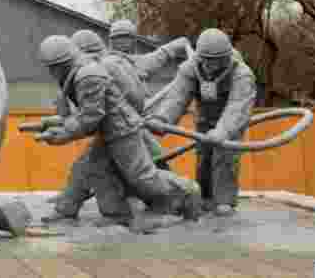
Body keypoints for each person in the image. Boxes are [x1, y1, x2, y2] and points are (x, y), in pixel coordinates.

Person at [36, 35, 202, 224]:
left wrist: (63, 134)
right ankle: (102, 213)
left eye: (50, 67)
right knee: (89, 168)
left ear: (60, 64)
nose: (49, 71)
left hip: (121, 131)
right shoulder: (78, 72)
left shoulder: (88, 76)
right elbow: (86, 113)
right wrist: (55, 123)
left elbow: (90, 118)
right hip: (109, 130)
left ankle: (187, 191)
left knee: (142, 177)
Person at [148, 28, 256, 215]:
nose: (209, 64)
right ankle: (205, 197)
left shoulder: (242, 74)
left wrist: (222, 130)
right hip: (204, 119)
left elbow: (237, 107)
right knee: (203, 156)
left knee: (225, 155)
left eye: (214, 60)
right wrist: (162, 118)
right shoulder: (190, 68)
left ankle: (224, 201)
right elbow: (177, 97)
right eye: (205, 59)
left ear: (225, 58)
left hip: (230, 123)